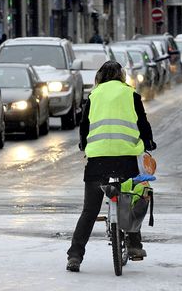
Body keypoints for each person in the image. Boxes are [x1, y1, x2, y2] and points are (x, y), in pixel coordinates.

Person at [66, 60, 156, 273]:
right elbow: (142, 123)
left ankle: (75, 256)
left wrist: (84, 144)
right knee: (132, 200)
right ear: (121, 75)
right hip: (126, 160)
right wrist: (149, 142)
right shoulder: (130, 94)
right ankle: (134, 245)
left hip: (98, 161)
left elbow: (84, 125)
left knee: (89, 210)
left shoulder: (94, 95)